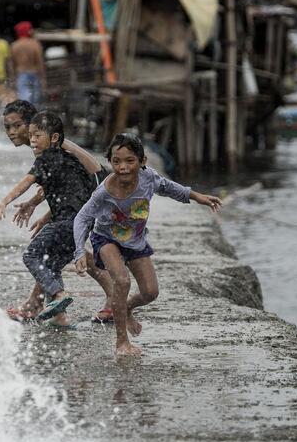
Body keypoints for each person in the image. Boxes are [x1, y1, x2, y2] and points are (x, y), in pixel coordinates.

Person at [73, 133, 223, 356]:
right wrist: (79, 253)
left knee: (151, 292)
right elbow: (82, 218)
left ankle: (126, 308)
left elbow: (169, 187)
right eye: (116, 162)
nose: (123, 167)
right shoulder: (104, 191)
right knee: (121, 281)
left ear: (142, 162)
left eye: (129, 161)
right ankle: (121, 342)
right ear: (110, 162)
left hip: (136, 241)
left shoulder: (148, 178)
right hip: (107, 238)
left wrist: (198, 197)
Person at [1, 100, 114, 322]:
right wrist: (36, 204)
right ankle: (42, 303)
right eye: (8, 127)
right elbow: (59, 184)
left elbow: (86, 180)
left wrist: (40, 209)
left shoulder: (54, 146)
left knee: (58, 248)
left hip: (100, 191)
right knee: (59, 248)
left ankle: (115, 299)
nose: (12, 132)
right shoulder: (44, 146)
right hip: (89, 195)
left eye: (17, 126)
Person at [11, 21, 46, 104]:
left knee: (24, 99)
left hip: (21, 74)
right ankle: (34, 116)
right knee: (35, 100)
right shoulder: (35, 44)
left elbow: (12, 64)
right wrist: (43, 78)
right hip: (34, 73)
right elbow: (40, 62)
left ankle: (26, 116)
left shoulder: (15, 45)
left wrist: (13, 79)